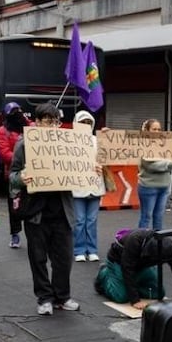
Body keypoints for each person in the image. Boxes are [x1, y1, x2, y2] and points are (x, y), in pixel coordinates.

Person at [9, 102, 80, 316]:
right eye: (47, 120)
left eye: (55, 121)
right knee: (38, 259)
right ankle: (44, 298)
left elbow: (80, 168)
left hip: (62, 212)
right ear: (37, 122)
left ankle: (62, 296)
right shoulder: (24, 145)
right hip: (36, 213)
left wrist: (91, 168)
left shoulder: (68, 143)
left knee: (64, 258)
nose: (52, 125)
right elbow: (12, 176)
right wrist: (21, 178)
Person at [94, 228, 172, 308]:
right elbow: (127, 270)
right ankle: (104, 274)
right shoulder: (134, 240)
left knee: (158, 294)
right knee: (121, 297)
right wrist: (135, 300)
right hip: (118, 262)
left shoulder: (167, 245)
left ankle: (130, 286)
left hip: (141, 266)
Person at [71, 110, 104, 263]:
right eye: (82, 123)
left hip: (95, 186)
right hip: (78, 188)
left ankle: (92, 249)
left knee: (91, 220)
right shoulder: (69, 142)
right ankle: (78, 249)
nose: (85, 126)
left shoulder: (98, 141)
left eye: (88, 123)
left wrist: (102, 167)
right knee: (79, 220)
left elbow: (106, 161)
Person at [0, 102, 28, 249]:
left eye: (18, 111)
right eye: (13, 112)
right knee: (14, 206)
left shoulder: (30, 127)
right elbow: (4, 152)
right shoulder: (3, 131)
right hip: (15, 172)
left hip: (33, 172)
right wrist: (21, 159)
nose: (17, 115)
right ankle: (15, 234)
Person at [136, 118, 172, 231]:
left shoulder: (166, 144)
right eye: (154, 129)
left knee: (159, 217)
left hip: (164, 186)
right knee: (146, 217)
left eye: (159, 129)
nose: (157, 131)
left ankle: (158, 244)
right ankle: (142, 243)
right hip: (148, 187)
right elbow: (150, 165)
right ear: (147, 130)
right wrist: (168, 163)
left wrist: (169, 163)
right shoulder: (142, 145)